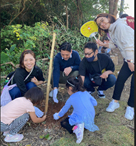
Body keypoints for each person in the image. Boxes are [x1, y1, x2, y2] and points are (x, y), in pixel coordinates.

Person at [94, 13, 134, 120]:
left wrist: (130, 61)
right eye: (99, 24)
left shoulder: (120, 26)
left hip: (131, 58)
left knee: (134, 83)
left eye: (102, 20)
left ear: (108, 18)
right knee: (120, 80)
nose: (102, 24)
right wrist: (103, 44)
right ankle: (115, 101)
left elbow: (129, 44)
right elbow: (115, 44)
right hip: (129, 58)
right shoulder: (112, 30)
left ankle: (131, 107)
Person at [53, 75, 99, 144]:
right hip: (91, 118)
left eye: (67, 89)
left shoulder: (71, 98)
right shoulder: (86, 93)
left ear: (70, 88)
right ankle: (82, 127)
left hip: (82, 120)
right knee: (75, 112)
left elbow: (64, 109)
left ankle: (77, 129)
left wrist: (58, 116)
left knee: (63, 123)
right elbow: (95, 103)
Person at [7, 49, 45, 117]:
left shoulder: (37, 70)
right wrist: (31, 107)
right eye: (26, 60)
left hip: (26, 89)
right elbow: (22, 90)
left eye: (31, 59)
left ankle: (31, 104)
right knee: (15, 91)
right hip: (17, 90)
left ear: (34, 60)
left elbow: (42, 80)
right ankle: (18, 107)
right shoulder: (19, 72)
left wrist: (37, 82)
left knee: (32, 85)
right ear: (22, 62)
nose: (29, 62)